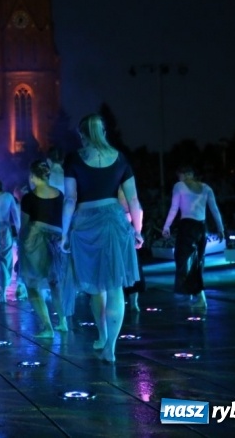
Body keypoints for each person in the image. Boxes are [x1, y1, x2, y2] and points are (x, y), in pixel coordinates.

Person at [61, 114, 143, 363]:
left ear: (82, 134)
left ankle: (102, 335)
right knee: (115, 287)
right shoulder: (119, 158)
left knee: (96, 287)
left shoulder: (74, 158)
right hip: (114, 222)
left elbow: (70, 199)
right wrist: (137, 229)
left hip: (86, 224)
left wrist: (64, 233)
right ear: (103, 132)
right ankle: (111, 348)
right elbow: (133, 199)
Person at [19, 160, 73, 337]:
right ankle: (63, 322)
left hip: (36, 243)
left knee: (32, 284)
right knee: (55, 283)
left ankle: (47, 327)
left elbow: (24, 225)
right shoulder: (59, 195)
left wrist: (21, 246)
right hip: (56, 242)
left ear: (32, 176)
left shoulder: (29, 198)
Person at [162, 165, 224, 309]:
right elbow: (214, 209)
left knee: (185, 261)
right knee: (197, 262)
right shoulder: (206, 188)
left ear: (184, 174)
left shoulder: (179, 186)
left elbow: (174, 208)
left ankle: (199, 296)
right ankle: (193, 294)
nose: (179, 178)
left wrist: (166, 226)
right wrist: (220, 228)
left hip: (187, 227)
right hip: (201, 228)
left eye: (179, 175)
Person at [0, 179, 20, 302]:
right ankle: (3, 293)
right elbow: (15, 216)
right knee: (5, 259)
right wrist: (19, 232)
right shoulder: (8, 197)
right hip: (5, 229)